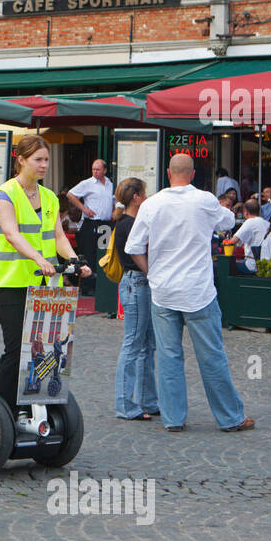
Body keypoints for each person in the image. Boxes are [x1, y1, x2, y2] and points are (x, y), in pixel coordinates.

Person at [123, 153, 253, 433]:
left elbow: (133, 247)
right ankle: (230, 417)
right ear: (193, 174)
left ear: (168, 173)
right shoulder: (204, 200)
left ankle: (173, 418)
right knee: (212, 357)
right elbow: (229, 221)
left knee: (169, 358)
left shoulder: (152, 204)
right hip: (198, 291)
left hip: (163, 291)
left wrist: (151, 273)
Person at [0, 135, 90, 403]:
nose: (44, 165)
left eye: (46, 159)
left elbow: (58, 237)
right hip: (11, 284)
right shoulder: (4, 195)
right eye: (38, 160)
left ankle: (33, 403)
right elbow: (11, 233)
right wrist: (38, 259)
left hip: (45, 285)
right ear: (21, 160)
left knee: (43, 348)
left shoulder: (49, 197)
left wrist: (76, 261)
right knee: (14, 349)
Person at [112, 177, 158, 421]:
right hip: (137, 283)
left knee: (147, 343)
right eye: (145, 193)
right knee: (133, 344)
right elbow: (137, 251)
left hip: (137, 284)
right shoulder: (130, 224)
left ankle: (148, 400)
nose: (147, 197)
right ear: (137, 197)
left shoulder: (125, 221)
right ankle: (126, 404)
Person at [66, 159, 115, 295]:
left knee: (103, 254)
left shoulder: (111, 184)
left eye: (98, 169)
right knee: (89, 254)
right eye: (93, 169)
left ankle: (101, 286)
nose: (95, 172)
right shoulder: (88, 183)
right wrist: (84, 209)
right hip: (91, 222)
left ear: (104, 170)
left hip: (105, 223)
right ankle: (87, 287)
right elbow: (70, 194)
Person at [233, 199, 269, 274]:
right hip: (266, 264)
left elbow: (233, 241)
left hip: (253, 265)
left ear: (245, 212)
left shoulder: (250, 222)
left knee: (225, 266)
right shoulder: (267, 223)